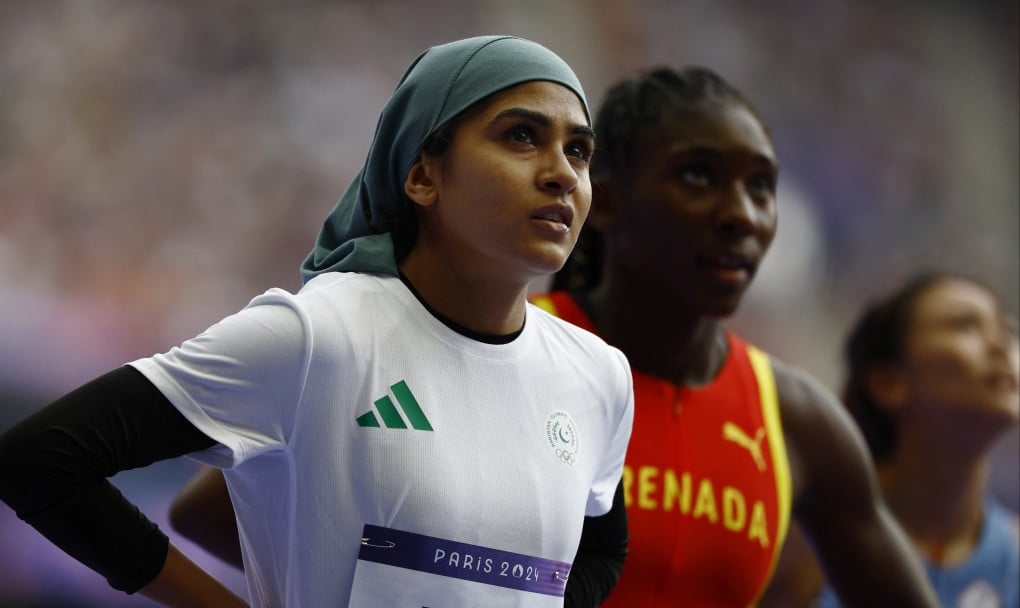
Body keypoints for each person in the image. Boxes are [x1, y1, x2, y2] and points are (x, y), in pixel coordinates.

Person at [167, 64, 940, 606]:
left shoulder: (795, 422)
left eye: (761, 186)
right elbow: (212, 513)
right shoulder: (476, 346)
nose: (741, 215)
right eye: (698, 177)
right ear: (607, 198)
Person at [0, 35, 635, 607]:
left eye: (579, 151)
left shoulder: (598, 373)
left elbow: (603, 552)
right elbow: (41, 460)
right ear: (422, 176)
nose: (562, 173)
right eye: (521, 135)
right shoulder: (319, 336)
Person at [761, 271, 1019, 608]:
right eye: (965, 326)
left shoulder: (1014, 555)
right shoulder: (800, 546)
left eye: (1008, 329)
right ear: (887, 383)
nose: (1002, 345)